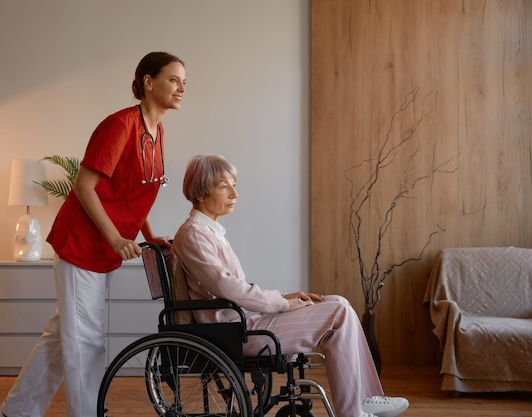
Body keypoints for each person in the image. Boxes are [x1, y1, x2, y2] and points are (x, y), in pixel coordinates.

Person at [0, 51, 186, 417]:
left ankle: (15, 412)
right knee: (86, 341)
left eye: (183, 82)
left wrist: (148, 232)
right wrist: (116, 238)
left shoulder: (157, 130)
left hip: (104, 250)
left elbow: (135, 192)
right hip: (82, 244)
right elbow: (84, 186)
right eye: (174, 80)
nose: (181, 88)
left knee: (60, 338)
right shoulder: (120, 126)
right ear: (148, 82)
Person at [171, 155, 409, 417]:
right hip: (232, 331)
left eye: (234, 185)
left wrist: (284, 297)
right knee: (338, 314)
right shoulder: (195, 235)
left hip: (240, 321)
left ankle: (365, 400)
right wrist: (283, 304)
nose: (235, 194)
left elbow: (232, 287)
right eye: (224, 186)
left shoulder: (208, 232)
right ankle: (355, 409)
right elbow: (230, 289)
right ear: (202, 193)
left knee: (338, 302)